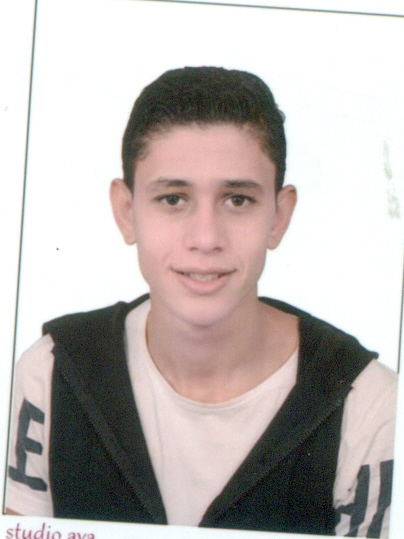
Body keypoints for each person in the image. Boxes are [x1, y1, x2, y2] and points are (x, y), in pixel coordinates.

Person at [6, 66, 397, 537]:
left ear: (279, 216)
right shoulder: (52, 372)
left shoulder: (370, 406)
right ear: (127, 212)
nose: (206, 238)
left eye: (237, 200)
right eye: (173, 199)